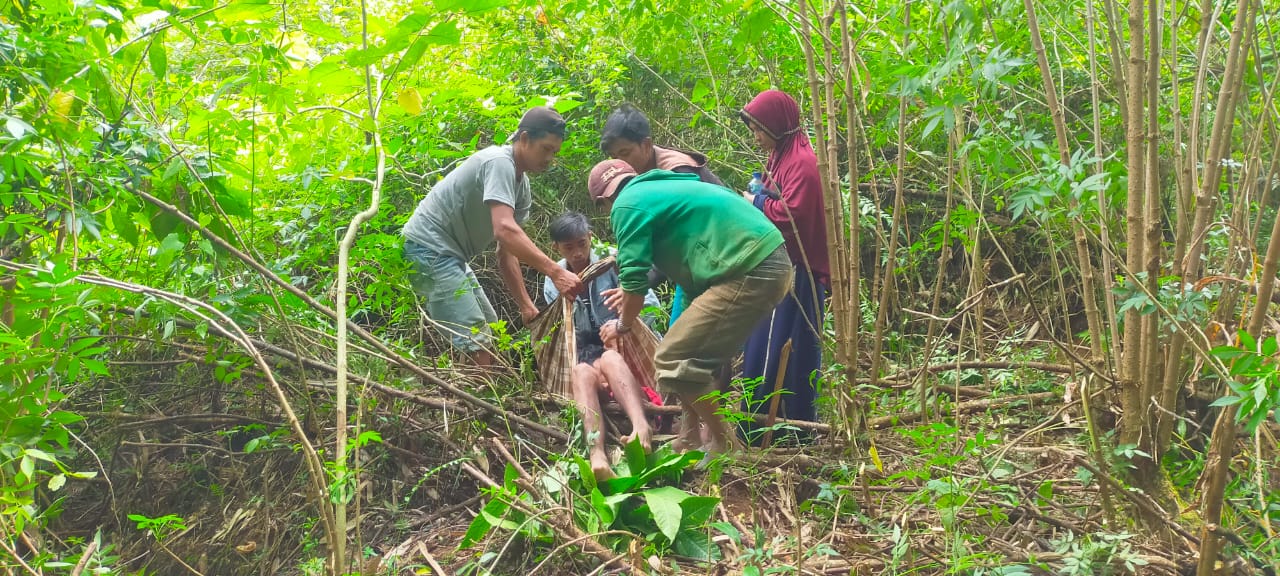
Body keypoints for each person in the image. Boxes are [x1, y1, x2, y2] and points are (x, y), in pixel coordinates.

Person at [587, 159, 793, 457]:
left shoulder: (627, 204)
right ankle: (690, 436)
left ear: (603, 201)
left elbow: (633, 282)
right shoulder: (666, 189)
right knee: (685, 353)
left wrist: (622, 325)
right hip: (764, 261)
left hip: (751, 266)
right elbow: (692, 285)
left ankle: (725, 445)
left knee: (672, 357)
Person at [401, 106, 583, 365]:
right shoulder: (499, 161)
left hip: (452, 257)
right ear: (524, 139)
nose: (549, 158)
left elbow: (506, 252)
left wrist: (525, 306)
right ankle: (472, 403)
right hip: (428, 249)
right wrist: (556, 271)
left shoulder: (522, 188)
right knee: (477, 345)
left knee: (493, 335)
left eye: (554, 152)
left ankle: (475, 396)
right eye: (545, 148)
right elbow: (504, 229)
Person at [738, 90, 831, 440]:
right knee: (766, 347)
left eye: (759, 129)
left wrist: (755, 200)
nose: (756, 137)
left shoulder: (802, 164)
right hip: (777, 266)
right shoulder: (781, 153)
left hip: (794, 271)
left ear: (776, 125)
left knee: (780, 351)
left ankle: (774, 430)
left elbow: (792, 215)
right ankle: (767, 429)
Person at [542, 212, 663, 481]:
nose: (577, 253)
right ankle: (596, 455)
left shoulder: (614, 263)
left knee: (611, 359)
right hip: (586, 354)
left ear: (590, 238)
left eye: (582, 244)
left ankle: (641, 428)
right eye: (568, 247)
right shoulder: (554, 281)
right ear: (556, 248)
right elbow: (563, 334)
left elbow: (651, 308)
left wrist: (623, 322)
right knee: (580, 373)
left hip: (626, 350)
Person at [599, 104, 725, 328]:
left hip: (718, 261)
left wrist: (638, 283)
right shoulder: (641, 175)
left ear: (646, 145)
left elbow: (679, 239)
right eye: (614, 156)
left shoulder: (677, 172)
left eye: (625, 153)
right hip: (695, 268)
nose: (620, 163)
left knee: (690, 342)